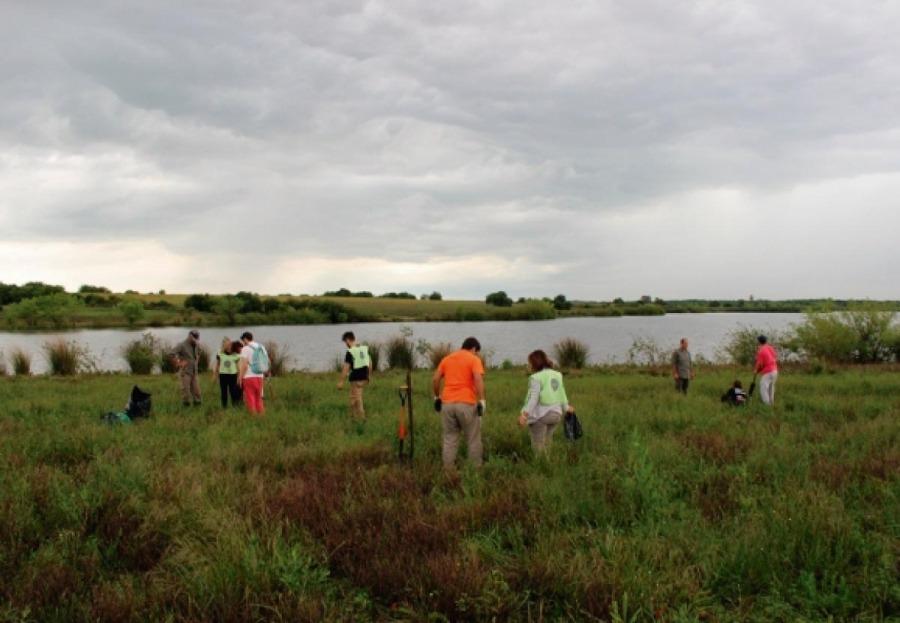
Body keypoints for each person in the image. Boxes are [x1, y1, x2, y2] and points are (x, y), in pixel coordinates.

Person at [432, 337, 486, 469]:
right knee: (473, 438)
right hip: (466, 403)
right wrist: (482, 400)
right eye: (476, 352)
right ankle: (475, 469)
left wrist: (437, 397)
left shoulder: (447, 359)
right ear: (473, 348)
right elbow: (478, 379)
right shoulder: (474, 359)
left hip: (447, 404)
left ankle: (448, 470)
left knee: (449, 438)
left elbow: (435, 379)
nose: (477, 354)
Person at [519, 349, 574, 454]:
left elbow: (533, 399)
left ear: (534, 363)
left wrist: (524, 415)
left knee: (538, 446)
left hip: (541, 415)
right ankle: (548, 467)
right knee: (547, 443)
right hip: (556, 415)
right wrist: (566, 407)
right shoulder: (558, 374)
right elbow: (561, 392)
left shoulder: (535, 377)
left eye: (529, 363)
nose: (529, 365)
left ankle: (541, 467)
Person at [336, 331, 371, 420]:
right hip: (364, 378)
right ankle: (353, 418)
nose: (345, 344)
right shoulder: (363, 348)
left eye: (345, 342)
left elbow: (346, 368)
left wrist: (341, 382)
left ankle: (362, 419)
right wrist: (368, 376)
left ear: (348, 340)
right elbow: (370, 363)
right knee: (354, 398)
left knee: (357, 399)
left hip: (355, 379)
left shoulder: (350, 351)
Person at [238, 331, 268, 415]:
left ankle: (253, 418)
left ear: (245, 339)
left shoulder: (245, 348)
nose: (243, 343)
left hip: (249, 376)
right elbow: (267, 361)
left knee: (250, 398)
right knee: (259, 397)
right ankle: (261, 416)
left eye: (243, 341)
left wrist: (240, 377)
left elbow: (244, 365)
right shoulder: (262, 347)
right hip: (260, 375)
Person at [170, 329, 202, 406]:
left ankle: (197, 406)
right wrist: (179, 363)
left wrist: (197, 359)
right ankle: (186, 408)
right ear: (190, 336)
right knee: (186, 391)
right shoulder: (182, 345)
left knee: (197, 391)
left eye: (197, 337)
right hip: (185, 372)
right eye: (194, 337)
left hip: (194, 371)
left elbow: (199, 352)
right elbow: (171, 354)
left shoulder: (196, 344)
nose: (196, 339)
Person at [213, 337, 242, 408]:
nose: (229, 346)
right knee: (224, 392)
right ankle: (224, 406)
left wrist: (239, 377)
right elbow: (217, 364)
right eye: (227, 345)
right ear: (224, 345)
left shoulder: (236, 354)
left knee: (233, 392)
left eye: (230, 344)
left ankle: (235, 406)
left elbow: (239, 367)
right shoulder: (220, 353)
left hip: (233, 375)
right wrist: (215, 375)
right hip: (223, 375)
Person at [754, 335, 778, 405]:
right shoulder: (770, 348)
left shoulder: (761, 351)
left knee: (763, 387)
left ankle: (767, 405)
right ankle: (771, 403)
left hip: (768, 372)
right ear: (766, 341)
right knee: (771, 387)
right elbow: (774, 356)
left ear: (759, 342)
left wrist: (756, 371)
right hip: (775, 370)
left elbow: (760, 364)